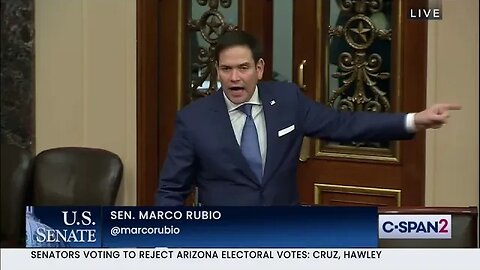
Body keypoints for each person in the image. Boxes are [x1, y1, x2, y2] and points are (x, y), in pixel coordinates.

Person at [155, 30, 460, 206]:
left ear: (259, 69)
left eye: (243, 68)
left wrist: (412, 121)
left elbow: (344, 124)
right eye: (226, 69)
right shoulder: (194, 120)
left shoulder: (287, 100)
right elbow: (171, 189)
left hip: (285, 236)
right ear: (218, 71)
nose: (235, 78)